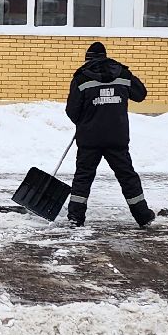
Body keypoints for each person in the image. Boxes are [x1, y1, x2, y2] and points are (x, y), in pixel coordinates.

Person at [65, 41, 153, 229]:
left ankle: (75, 217)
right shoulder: (121, 73)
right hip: (117, 136)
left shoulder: (81, 78)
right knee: (127, 176)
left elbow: (72, 110)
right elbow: (140, 94)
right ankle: (143, 215)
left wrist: (84, 122)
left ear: (88, 59)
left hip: (89, 138)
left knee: (83, 176)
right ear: (105, 56)